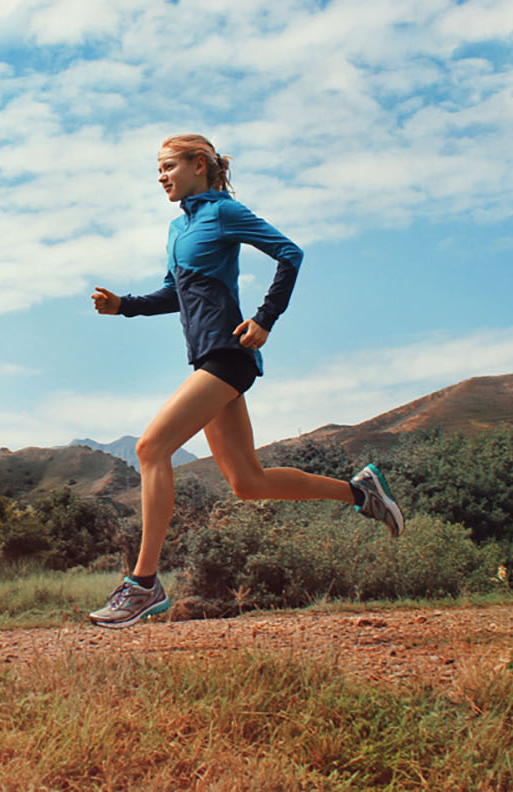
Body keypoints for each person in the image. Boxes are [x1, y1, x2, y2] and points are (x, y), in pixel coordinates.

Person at [87, 134, 403, 629]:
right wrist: (124, 306)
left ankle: (143, 583)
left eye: (169, 166)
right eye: (158, 169)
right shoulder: (178, 227)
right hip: (206, 360)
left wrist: (265, 319)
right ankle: (361, 493)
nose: (161, 177)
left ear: (199, 165)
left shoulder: (224, 213)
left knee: (151, 448)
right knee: (249, 483)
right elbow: (177, 293)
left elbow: (290, 253)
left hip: (229, 355)